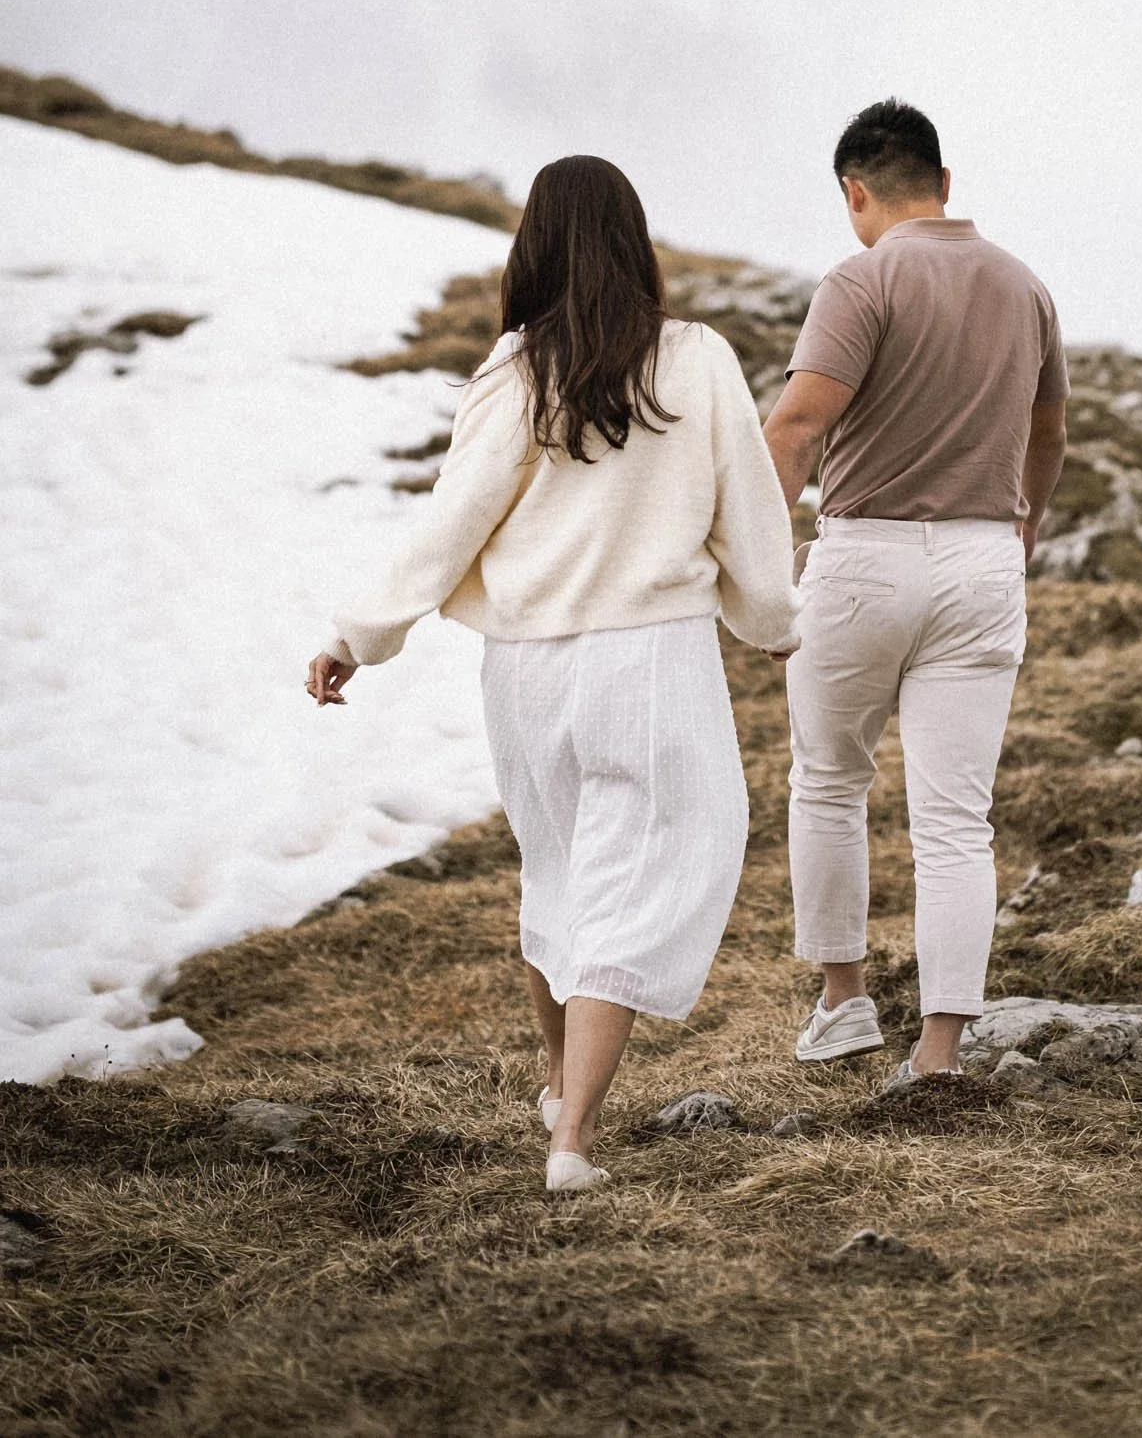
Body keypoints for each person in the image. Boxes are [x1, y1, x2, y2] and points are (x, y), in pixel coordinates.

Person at [306, 155, 797, 1196]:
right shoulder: (696, 358)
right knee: (642, 872)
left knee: (559, 870)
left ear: (533, 245)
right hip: (652, 656)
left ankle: (553, 1079)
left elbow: (453, 519)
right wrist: (771, 618)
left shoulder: (514, 368)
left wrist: (360, 633)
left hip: (526, 667)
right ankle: (570, 1134)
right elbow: (747, 504)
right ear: (634, 240)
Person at [763, 100, 1069, 1083]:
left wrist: (764, 570)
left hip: (861, 557)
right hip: (983, 559)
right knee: (952, 818)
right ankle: (938, 1054)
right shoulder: (1025, 287)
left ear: (857, 192)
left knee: (828, 780)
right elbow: (1049, 429)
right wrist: (1023, 517)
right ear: (943, 183)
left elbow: (795, 426)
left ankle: (844, 1002)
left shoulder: (860, 279)